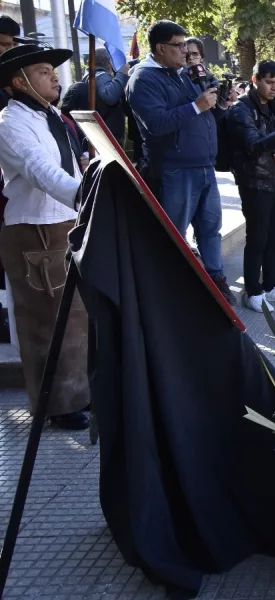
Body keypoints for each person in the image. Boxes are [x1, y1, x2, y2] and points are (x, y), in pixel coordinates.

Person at [0, 44, 91, 429]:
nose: (54, 76)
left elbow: (66, 164)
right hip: (34, 229)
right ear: (19, 82)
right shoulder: (10, 122)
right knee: (46, 319)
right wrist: (83, 194)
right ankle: (57, 405)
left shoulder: (53, 114)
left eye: (52, 70)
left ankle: (81, 393)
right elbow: (38, 169)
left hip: (67, 220)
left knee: (76, 316)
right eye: (42, 71)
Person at [127, 20, 237, 304]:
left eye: (187, 46)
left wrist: (220, 104)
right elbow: (156, 123)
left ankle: (216, 280)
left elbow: (206, 118)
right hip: (174, 169)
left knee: (211, 228)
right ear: (160, 48)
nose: (185, 52)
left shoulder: (183, 75)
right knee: (175, 235)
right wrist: (196, 105)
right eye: (179, 46)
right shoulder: (143, 78)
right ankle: (171, 292)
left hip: (203, 166)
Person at [227, 60, 275, 312]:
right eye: (269, 82)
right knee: (257, 238)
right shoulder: (241, 109)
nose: (274, 87)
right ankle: (253, 291)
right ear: (255, 80)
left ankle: (270, 285)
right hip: (252, 181)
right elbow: (252, 144)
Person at [86, 47, 130, 142]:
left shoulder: (90, 76)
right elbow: (110, 96)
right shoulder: (100, 74)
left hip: (99, 132)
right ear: (110, 61)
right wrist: (122, 74)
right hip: (108, 134)